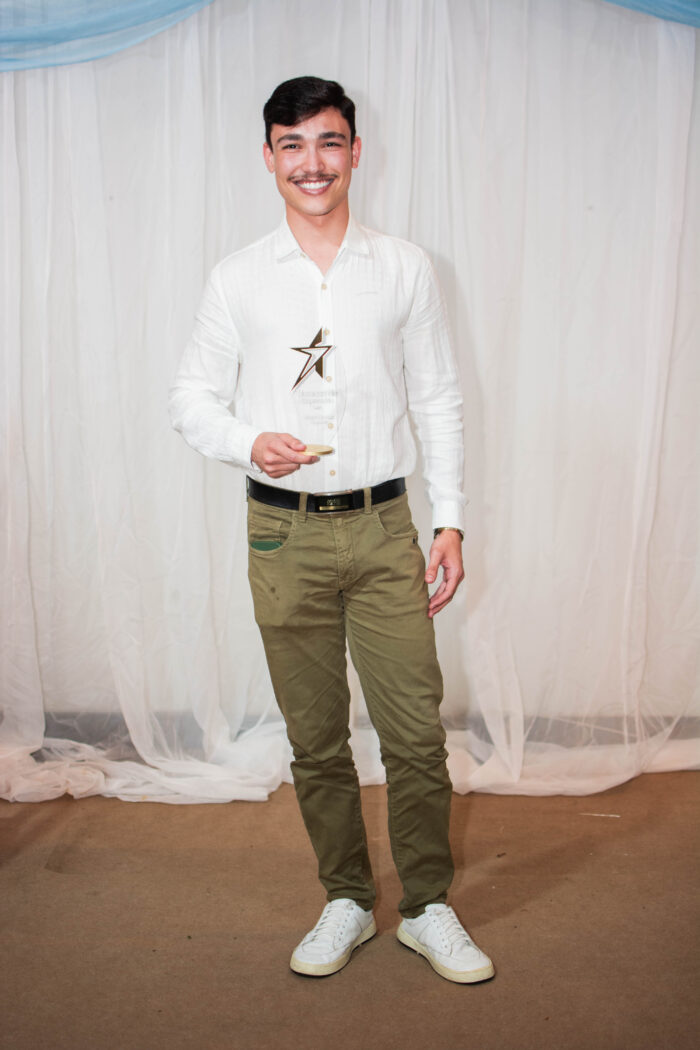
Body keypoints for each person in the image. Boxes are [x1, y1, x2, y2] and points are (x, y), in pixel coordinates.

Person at [169, 76, 494, 984]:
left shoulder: (405, 268)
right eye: (293, 144)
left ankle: (426, 907)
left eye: (328, 141)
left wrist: (450, 521)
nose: (312, 162)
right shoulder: (237, 278)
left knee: (415, 733)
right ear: (268, 156)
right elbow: (189, 398)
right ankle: (347, 898)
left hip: (387, 527)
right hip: (283, 537)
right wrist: (247, 442)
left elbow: (438, 398)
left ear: (355, 151)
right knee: (315, 739)